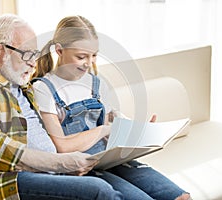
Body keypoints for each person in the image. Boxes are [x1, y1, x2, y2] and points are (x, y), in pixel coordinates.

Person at [0, 14, 126, 200]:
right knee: (99, 191)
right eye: (26, 54)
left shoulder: (21, 86)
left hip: (44, 172)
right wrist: (60, 163)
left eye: (34, 55)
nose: (33, 62)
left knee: (121, 190)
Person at [32, 15, 191, 200]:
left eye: (93, 56)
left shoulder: (97, 83)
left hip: (112, 159)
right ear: (59, 51)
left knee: (181, 197)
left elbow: (111, 128)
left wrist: (139, 132)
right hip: (82, 169)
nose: (89, 63)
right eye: (81, 56)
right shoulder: (43, 88)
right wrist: (103, 130)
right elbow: (62, 146)